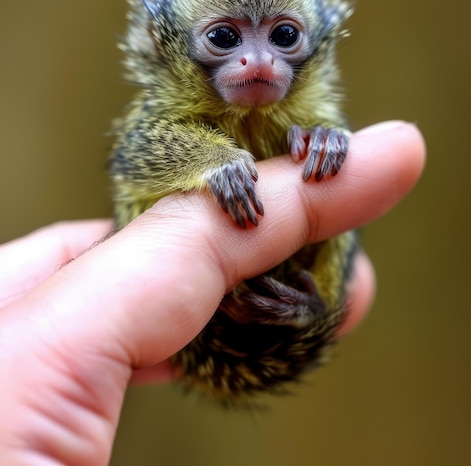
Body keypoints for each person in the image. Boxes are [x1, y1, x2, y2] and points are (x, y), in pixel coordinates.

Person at [0, 121, 425, 465]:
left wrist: (328, 135)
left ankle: (305, 308)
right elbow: (140, 155)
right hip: (194, 318)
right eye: (223, 40)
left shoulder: (309, 105)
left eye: (284, 37)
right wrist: (211, 160)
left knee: (338, 226)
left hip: (281, 297)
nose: (256, 62)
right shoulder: (167, 116)